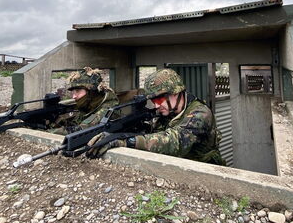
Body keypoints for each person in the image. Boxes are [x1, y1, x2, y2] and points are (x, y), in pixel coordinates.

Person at [87, 68, 225, 165]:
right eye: (153, 101)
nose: (156, 105)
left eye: (159, 99)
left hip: (204, 172)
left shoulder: (200, 113)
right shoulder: (166, 113)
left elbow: (174, 141)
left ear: (175, 93)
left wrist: (125, 141)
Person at [50, 67, 119, 135]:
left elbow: (80, 130)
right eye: (73, 92)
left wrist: (48, 132)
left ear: (92, 92)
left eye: (77, 91)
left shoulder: (107, 107)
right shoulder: (89, 104)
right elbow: (77, 120)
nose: (74, 96)